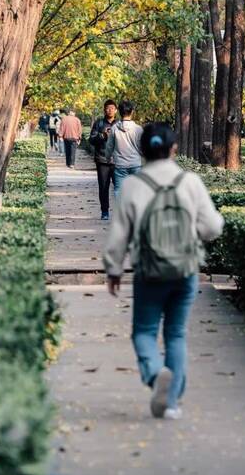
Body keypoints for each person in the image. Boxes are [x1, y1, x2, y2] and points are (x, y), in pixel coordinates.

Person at [103, 122, 224, 420]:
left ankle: (156, 375)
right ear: (173, 149)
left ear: (143, 150)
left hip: (149, 271)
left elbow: (119, 235)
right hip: (185, 271)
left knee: (144, 332)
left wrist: (114, 269)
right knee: (176, 334)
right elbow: (213, 228)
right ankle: (171, 403)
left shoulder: (132, 185)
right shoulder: (190, 181)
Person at [104, 99, 143, 197]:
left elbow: (109, 146)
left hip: (120, 165)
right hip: (135, 164)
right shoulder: (138, 129)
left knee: (119, 190)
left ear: (119, 112)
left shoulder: (114, 128)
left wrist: (108, 158)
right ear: (132, 112)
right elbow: (142, 147)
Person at [89, 99, 118, 220]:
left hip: (117, 160)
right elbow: (91, 139)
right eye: (107, 108)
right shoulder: (99, 123)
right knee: (103, 187)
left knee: (119, 187)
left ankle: (121, 212)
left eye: (112, 108)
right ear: (104, 110)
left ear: (116, 110)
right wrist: (103, 135)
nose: (110, 110)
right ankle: (104, 212)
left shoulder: (120, 124)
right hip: (102, 160)